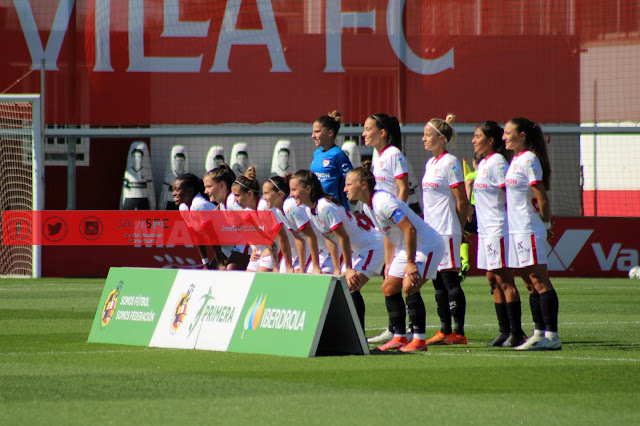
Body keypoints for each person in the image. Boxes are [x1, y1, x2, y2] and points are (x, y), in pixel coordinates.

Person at [345, 167, 445, 352]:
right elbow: (387, 232)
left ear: (363, 185)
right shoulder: (368, 206)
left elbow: (410, 229)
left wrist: (411, 263)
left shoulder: (383, 203)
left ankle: (419, 341)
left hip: (427, 245)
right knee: (388, 287)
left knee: (409, 286)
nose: (345, 189)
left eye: (349, 184)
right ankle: (399, 337)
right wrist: (389, 262)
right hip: (405, 247)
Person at [289, 170, 384, 330]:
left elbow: (343, 238)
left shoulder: (325, 207)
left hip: (372, 246)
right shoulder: (310, 209)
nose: (291, 194)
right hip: (359, 250)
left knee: (351, 286)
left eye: (294, 190)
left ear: (308, 189)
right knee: (343, 286)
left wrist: (347, 269)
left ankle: (360, 338)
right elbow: (329, 238)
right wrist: (336, 269)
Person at [503, 117, 561, 351]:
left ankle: (552, 335)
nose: (504, 136)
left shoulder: (530, 160)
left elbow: (542, 197)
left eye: (508, 132)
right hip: (516, 230)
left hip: (529, 228)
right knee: (528, 282)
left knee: (539, 280)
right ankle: (538, 333)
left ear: (523, 135)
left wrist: (546, 226)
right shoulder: (516, 159)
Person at [472, 121, 526, 347]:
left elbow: (510, 193)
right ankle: (504, 331)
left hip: (498, 228)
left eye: (477, 136)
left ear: (490, 140)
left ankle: (516, 332)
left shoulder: (498, 162)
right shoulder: (484, 163)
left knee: (505, 280)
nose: (474, 140)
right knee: (492, 279)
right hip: (484, 230)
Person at [361, 113, 411, 344]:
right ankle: (395, 328)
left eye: (368, 128)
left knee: (400, 275)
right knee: (389, 272)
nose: (364, 133)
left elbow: (403, 188)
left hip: (396, 225)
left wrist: (397, 217)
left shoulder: (394, 154)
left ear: (382, 132)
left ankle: (406, 329)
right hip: (384, 225)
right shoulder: (377, 154)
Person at [421, 114, 470, 345]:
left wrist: (460, 230)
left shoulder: (450, 162)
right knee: (437, 282)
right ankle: (443, 331)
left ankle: (458, 333)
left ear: (441, 139)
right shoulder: (430, 163)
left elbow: (462, 201)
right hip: (432, 233)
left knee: (451, 282)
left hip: (448, 230)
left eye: (427, 135)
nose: (423, 139)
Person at [203, 164, 251, 271]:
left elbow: (253, 222)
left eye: (209, 187)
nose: (205, 191)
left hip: (250, 243)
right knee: (213, 270)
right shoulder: (223, 203)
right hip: (235, 245)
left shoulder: (232, 201)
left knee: (231, 271)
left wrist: (259, 249)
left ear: (222, 186)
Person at [310, 111, 353, 210]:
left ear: (330, 133)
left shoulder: (338, 155)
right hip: (318, 208)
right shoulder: (317, 153)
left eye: (317, 132)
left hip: (336, 209)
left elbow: (351, 179)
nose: (313, 136)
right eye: (313, 132)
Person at [172, 173, 215, 269]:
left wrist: (220, 263)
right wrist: (205, 264)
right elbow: (197, 237)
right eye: (173, 190)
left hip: (238, 244)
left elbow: (213, 237)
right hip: (225, 248)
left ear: (190, 191)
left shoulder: (199, 206)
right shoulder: (183, 208)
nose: (173, 193)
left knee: (228, 271)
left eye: (177, 190)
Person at [261, 174, 298, 273]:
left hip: (307, 252)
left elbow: (283, 239)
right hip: (294, 253)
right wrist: (276, 267)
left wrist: (289, 266)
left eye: (266, 193)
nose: (263, 197)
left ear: (279, 194)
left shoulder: (290, 206)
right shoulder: (277, 210)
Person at [459, 152, 482, 283]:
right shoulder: (487, 175)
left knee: (464, 235)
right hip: (485, 211)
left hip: (472, 210)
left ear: (474, 162)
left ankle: (465, 261)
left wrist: (468, 206)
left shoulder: (471, 176)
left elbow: (468, 186)